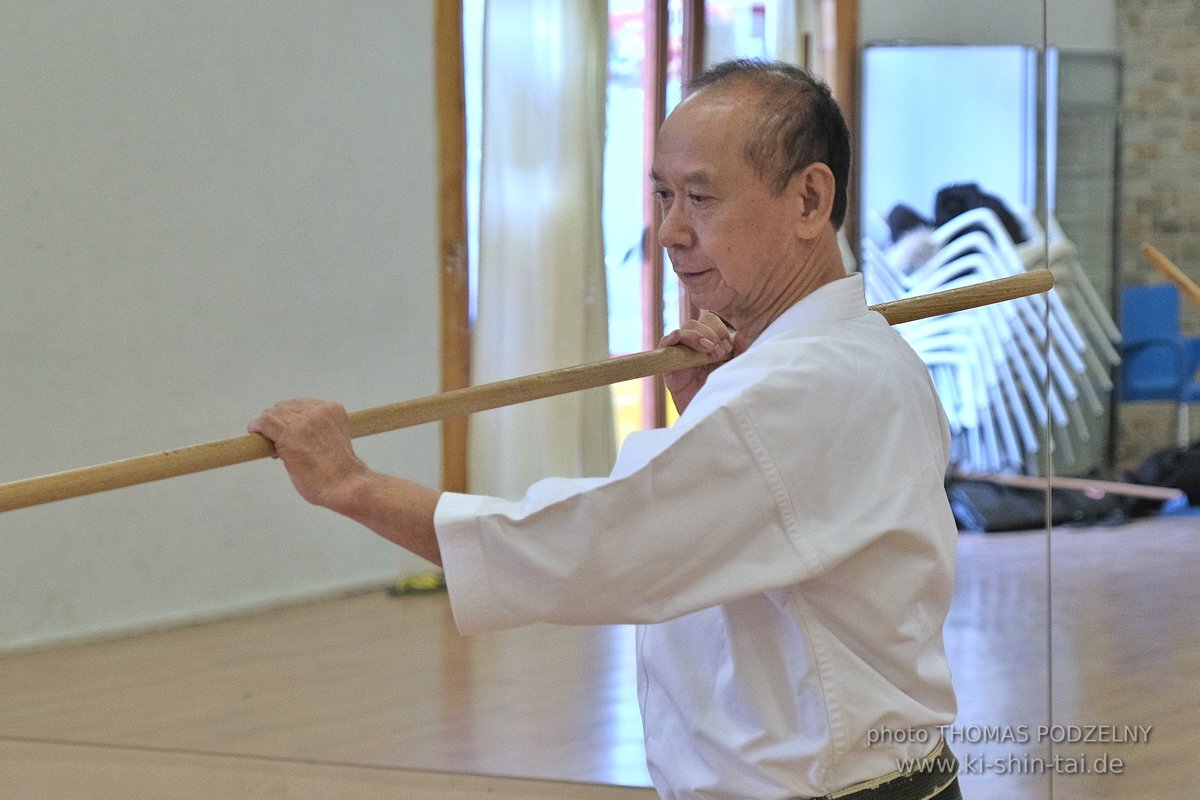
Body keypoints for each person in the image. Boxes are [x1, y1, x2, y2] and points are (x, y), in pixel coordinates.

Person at [250, 59, 962, 800]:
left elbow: (587, 548)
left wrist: (352, 485)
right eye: (661, 194)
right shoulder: (869, 354)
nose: (672, 232)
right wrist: (711, 415)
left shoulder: (797, 387)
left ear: (810, 200)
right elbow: (781, 526)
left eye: (701, 197)